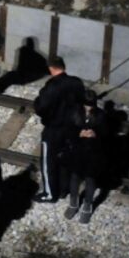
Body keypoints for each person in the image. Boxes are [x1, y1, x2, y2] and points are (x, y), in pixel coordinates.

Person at [32, 55, 85, 203]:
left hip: (54, 129)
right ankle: (63, 189)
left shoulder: (52, 85)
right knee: (64, 159)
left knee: (48, 161)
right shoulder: (76, 82)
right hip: (72, 129)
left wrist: (38, 104)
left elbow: (41, 107)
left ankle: (49, 193)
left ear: (51, 68)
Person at [65, 90, 107, 223]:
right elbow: (68, 130)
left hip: (94, 152)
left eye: (91, 106)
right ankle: (73, 203)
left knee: (90, 179)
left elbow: (106, 134)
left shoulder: (101, 115)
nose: (88, 109)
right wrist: (79, 133)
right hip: (78, 150)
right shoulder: (74, 113)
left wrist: (95, 134)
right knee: (75, 177)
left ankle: (87, 206)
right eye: (86, 106)